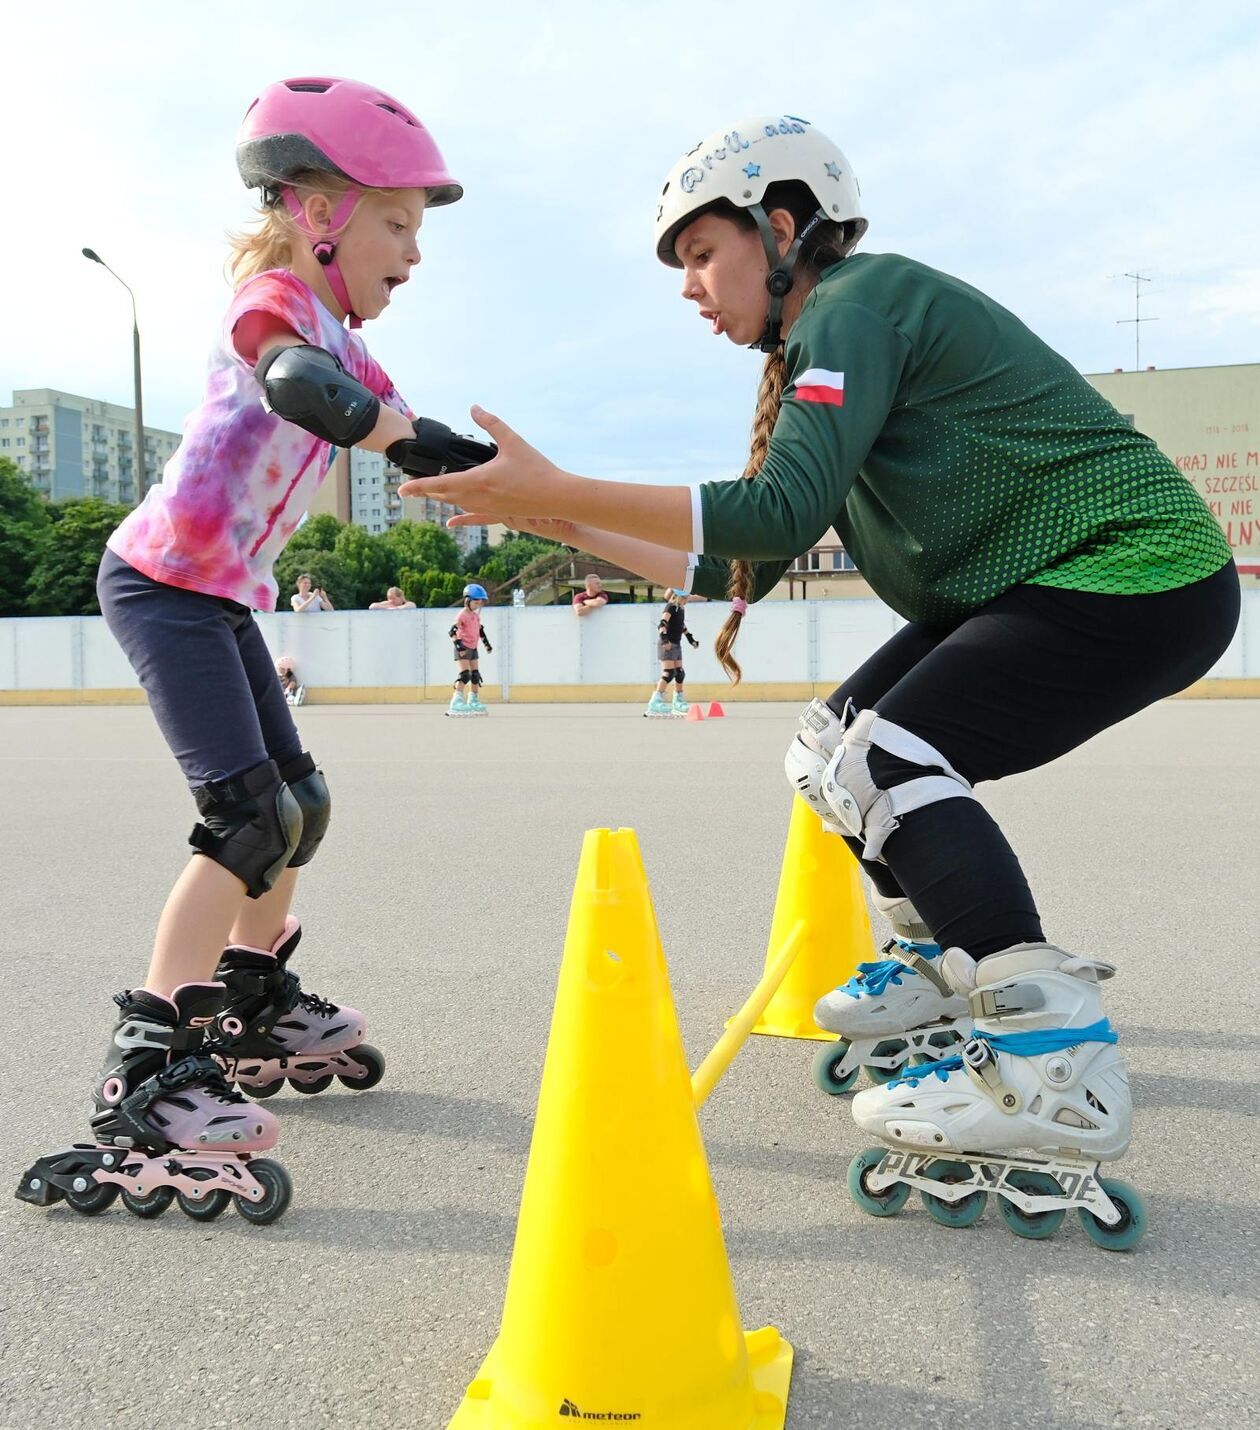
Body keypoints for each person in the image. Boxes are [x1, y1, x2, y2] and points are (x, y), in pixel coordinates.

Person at [399, 113, 1240, 1247]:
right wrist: (544, 509)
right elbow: (737, 561)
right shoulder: (826, 348)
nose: (690, 286)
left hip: (1134, 572)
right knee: (828, 744)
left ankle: (1053, 1058)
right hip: (1047, 582)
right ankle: (940, 962)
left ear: (779, 226)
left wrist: (570, 483)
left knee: (888, 754)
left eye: (702, 254)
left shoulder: (855, 306)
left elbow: (773, 511)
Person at [16, 76, 495, 1225]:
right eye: (397, 224)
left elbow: (407, 428)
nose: (414, 256)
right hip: (161, 584)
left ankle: (250, 996)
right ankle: (148, 1062)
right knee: (246, 817)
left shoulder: (351, 344)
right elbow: (295, 382)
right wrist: (392, 431)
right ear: (317, 210)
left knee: (300, 803)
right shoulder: (276, 294)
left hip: (220, 597)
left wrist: (510, 482)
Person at [645, 588, 700, 716]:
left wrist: (691, 639)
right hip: (667, 645)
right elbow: (662, 623)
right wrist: (665, 640)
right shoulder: (670, 606)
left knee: (680, 673)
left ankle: (678, 702)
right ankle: (655, 702)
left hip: (676, 644)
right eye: (685, 597)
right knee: (669, 673)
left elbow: (681, 626)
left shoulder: (680, 609)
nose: (687, 600)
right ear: (678, 596)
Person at [448, 582, 492, 714]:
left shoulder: (475, 616)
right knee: (465, 675)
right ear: (467, 600)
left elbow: (480, 631)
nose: (478, 606)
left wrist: (486, 644)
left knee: (475, 676)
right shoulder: (462, 615)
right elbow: (452, 631)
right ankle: (456, 701)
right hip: (463, 647)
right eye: (475, 603)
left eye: (480, 604)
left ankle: (473, 700)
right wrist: (458, 646)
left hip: (473, 647)